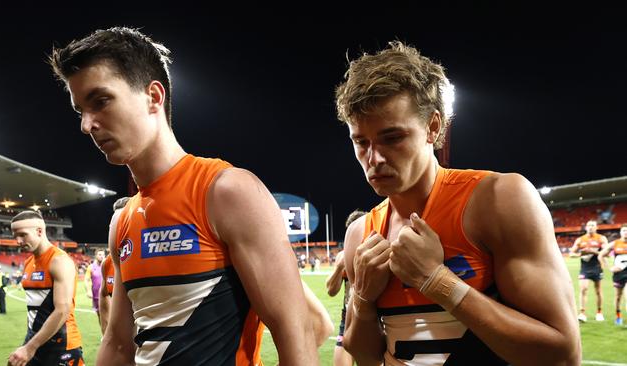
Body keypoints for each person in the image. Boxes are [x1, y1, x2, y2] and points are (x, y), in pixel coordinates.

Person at [49, 27, 317, 365]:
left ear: (154, 97)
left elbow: (296, 333)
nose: (87, 125)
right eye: (80, 111)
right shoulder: (122, 222)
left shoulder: (227, 192)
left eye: (101, 101)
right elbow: (119, 344)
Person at [335, 41, 580, 365]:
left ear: (433, 127)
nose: (374, 158)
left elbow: (562, 354)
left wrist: (436, 280)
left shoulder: (498, 200)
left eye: (392, 138)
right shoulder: (361, 234)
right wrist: (364, 302)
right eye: (361, 142)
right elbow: (367, 358)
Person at [8, 210, 83, 366]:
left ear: (39, 231)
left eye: (22, 235)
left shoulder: (59, 261)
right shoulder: (28, 263)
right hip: (36, 340)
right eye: (15, 236)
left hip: (62, 345)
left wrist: (30, 347)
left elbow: (62, 310)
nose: (18, 241)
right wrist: (30, 343)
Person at [326, 210, 366, 366]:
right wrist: (339, 268)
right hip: (347, 320)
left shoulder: (377, 252)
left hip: (372, 320)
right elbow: (331, 291)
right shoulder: (343, 256)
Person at [99, 196, 131, 335]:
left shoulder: (155, 256)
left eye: (124, 222)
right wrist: (106, 332)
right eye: (114, 224)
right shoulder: (107, 263)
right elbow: (104, 294)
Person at [569, 220, 608, 322]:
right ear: (586, 227)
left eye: (593, 225)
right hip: (585, 268)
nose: (590, 227)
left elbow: (606, 252)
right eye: (589, 225)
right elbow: (571, 253)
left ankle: (599, 312)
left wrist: (593, 251)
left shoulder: (601, 238)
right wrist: (580, 254)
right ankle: (582, 313)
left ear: (596, 227)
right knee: (583, 289)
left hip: (597, 267)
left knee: (598, 290)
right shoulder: (580, 240)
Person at [599, 223, 627, 325]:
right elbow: (601, 255)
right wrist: (609, 268)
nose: (626, 232)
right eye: (624, 230)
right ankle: (618, 316)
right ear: (620, 232)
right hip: (618, 274)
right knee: (618, 297)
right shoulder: (615, 244)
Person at [84, 248, 105, 323]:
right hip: (96, 297)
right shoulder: (91, 267)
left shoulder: (107, 266)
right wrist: (88, 291)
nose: (102, 256)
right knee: (100, 317)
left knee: (107, 316)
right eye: (99, 254)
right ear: (96, 256)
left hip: (107, 296)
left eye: (103, 254)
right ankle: (104, 334)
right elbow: (86, 279)